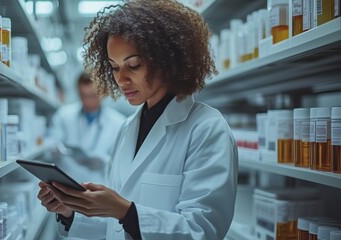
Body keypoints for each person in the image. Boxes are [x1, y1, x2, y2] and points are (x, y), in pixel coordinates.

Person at [38, 0, 238, 239]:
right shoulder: (127, 128)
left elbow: (202, 230)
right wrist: (70, 211)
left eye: (133, 65)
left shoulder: (206, 128)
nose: (121, 79)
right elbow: (116, 226)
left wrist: (126, 212)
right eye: (113, 67)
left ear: (167, 59)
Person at [51, 72, 125, 184]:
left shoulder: (118, 123)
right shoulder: (63, 115)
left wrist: (103, 161)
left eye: (92, 96)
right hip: (68, 184)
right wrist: (56, 149)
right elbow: (52, 144)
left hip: (99, 186)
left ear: (102, 94)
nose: (87, 101)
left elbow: (121, 162)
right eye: (82, 95)